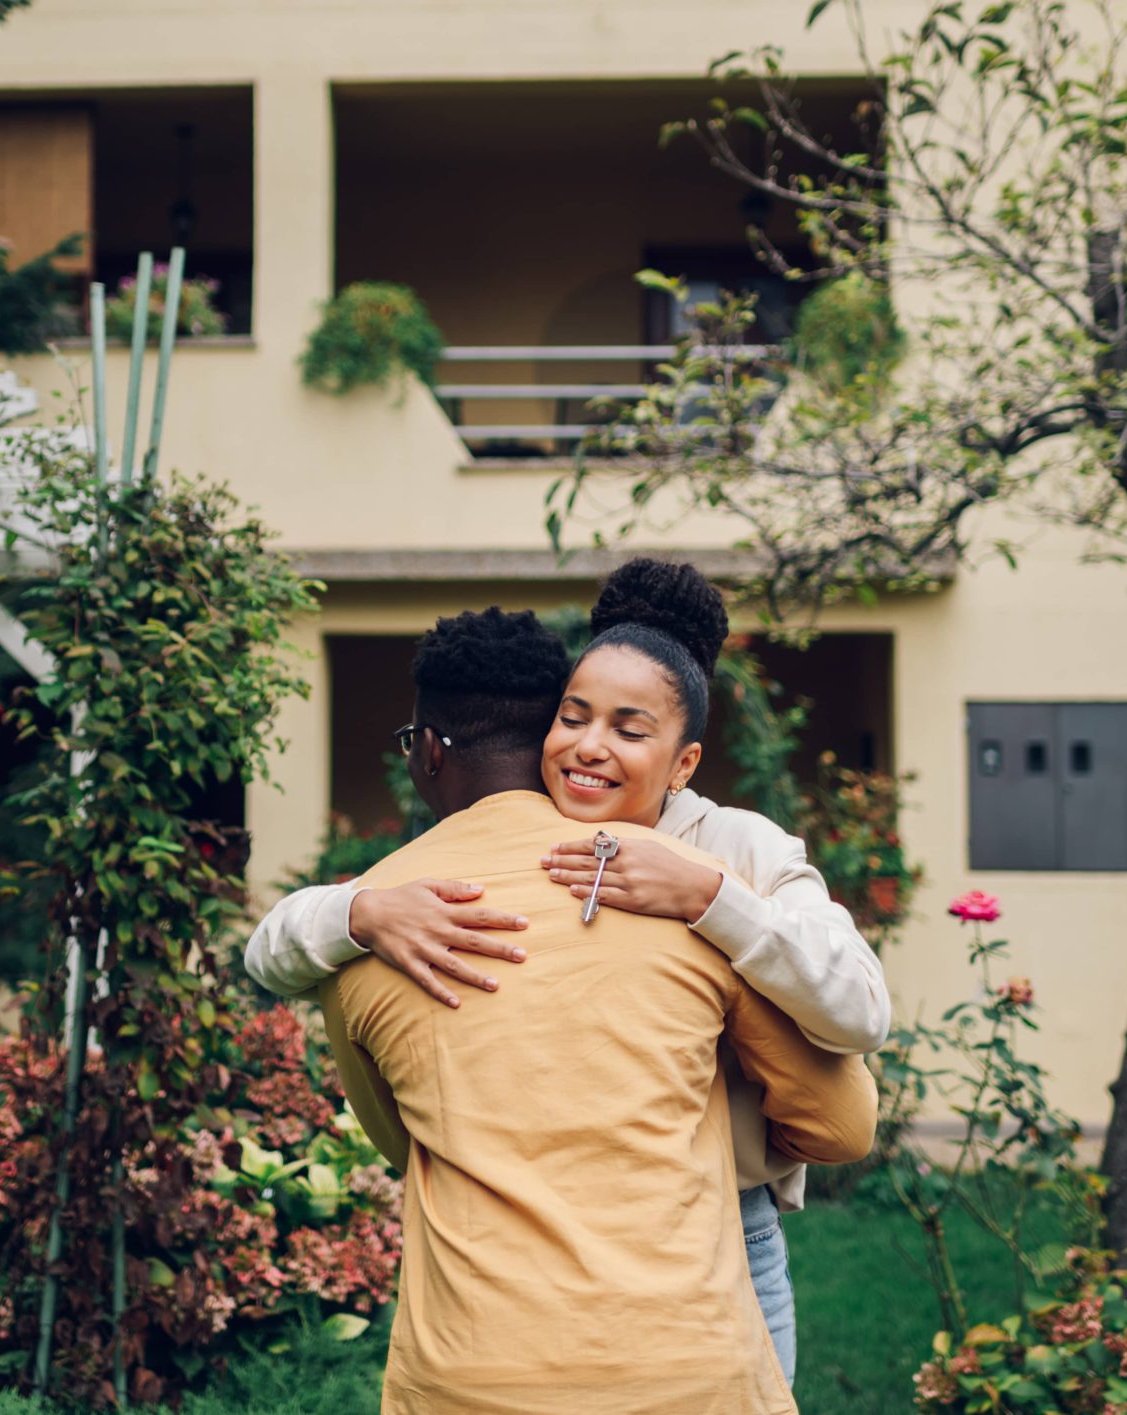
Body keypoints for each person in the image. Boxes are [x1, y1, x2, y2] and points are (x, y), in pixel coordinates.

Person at [246, 560, 891, 1378]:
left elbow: (862, 1010)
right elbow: (271, 947)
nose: (589, 747)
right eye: (573, 717)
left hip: (724, 1226)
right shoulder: (529, 835)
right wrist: (357, 911)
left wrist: (711, 897)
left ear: (684, 760)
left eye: (628, 728)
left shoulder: (736, 849)